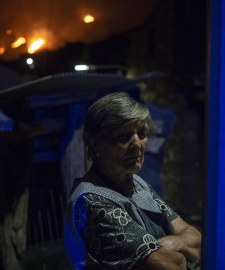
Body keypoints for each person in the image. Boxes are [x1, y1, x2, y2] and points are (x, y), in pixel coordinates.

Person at [63, 92, 201, 269]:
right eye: (124, 136)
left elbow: (194, 238)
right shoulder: (92, 201)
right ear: (95, 143)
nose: (137, 144)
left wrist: (175, 243)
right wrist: (181, 253)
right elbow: (172, 264)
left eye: (142, 134)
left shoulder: (138, 184)